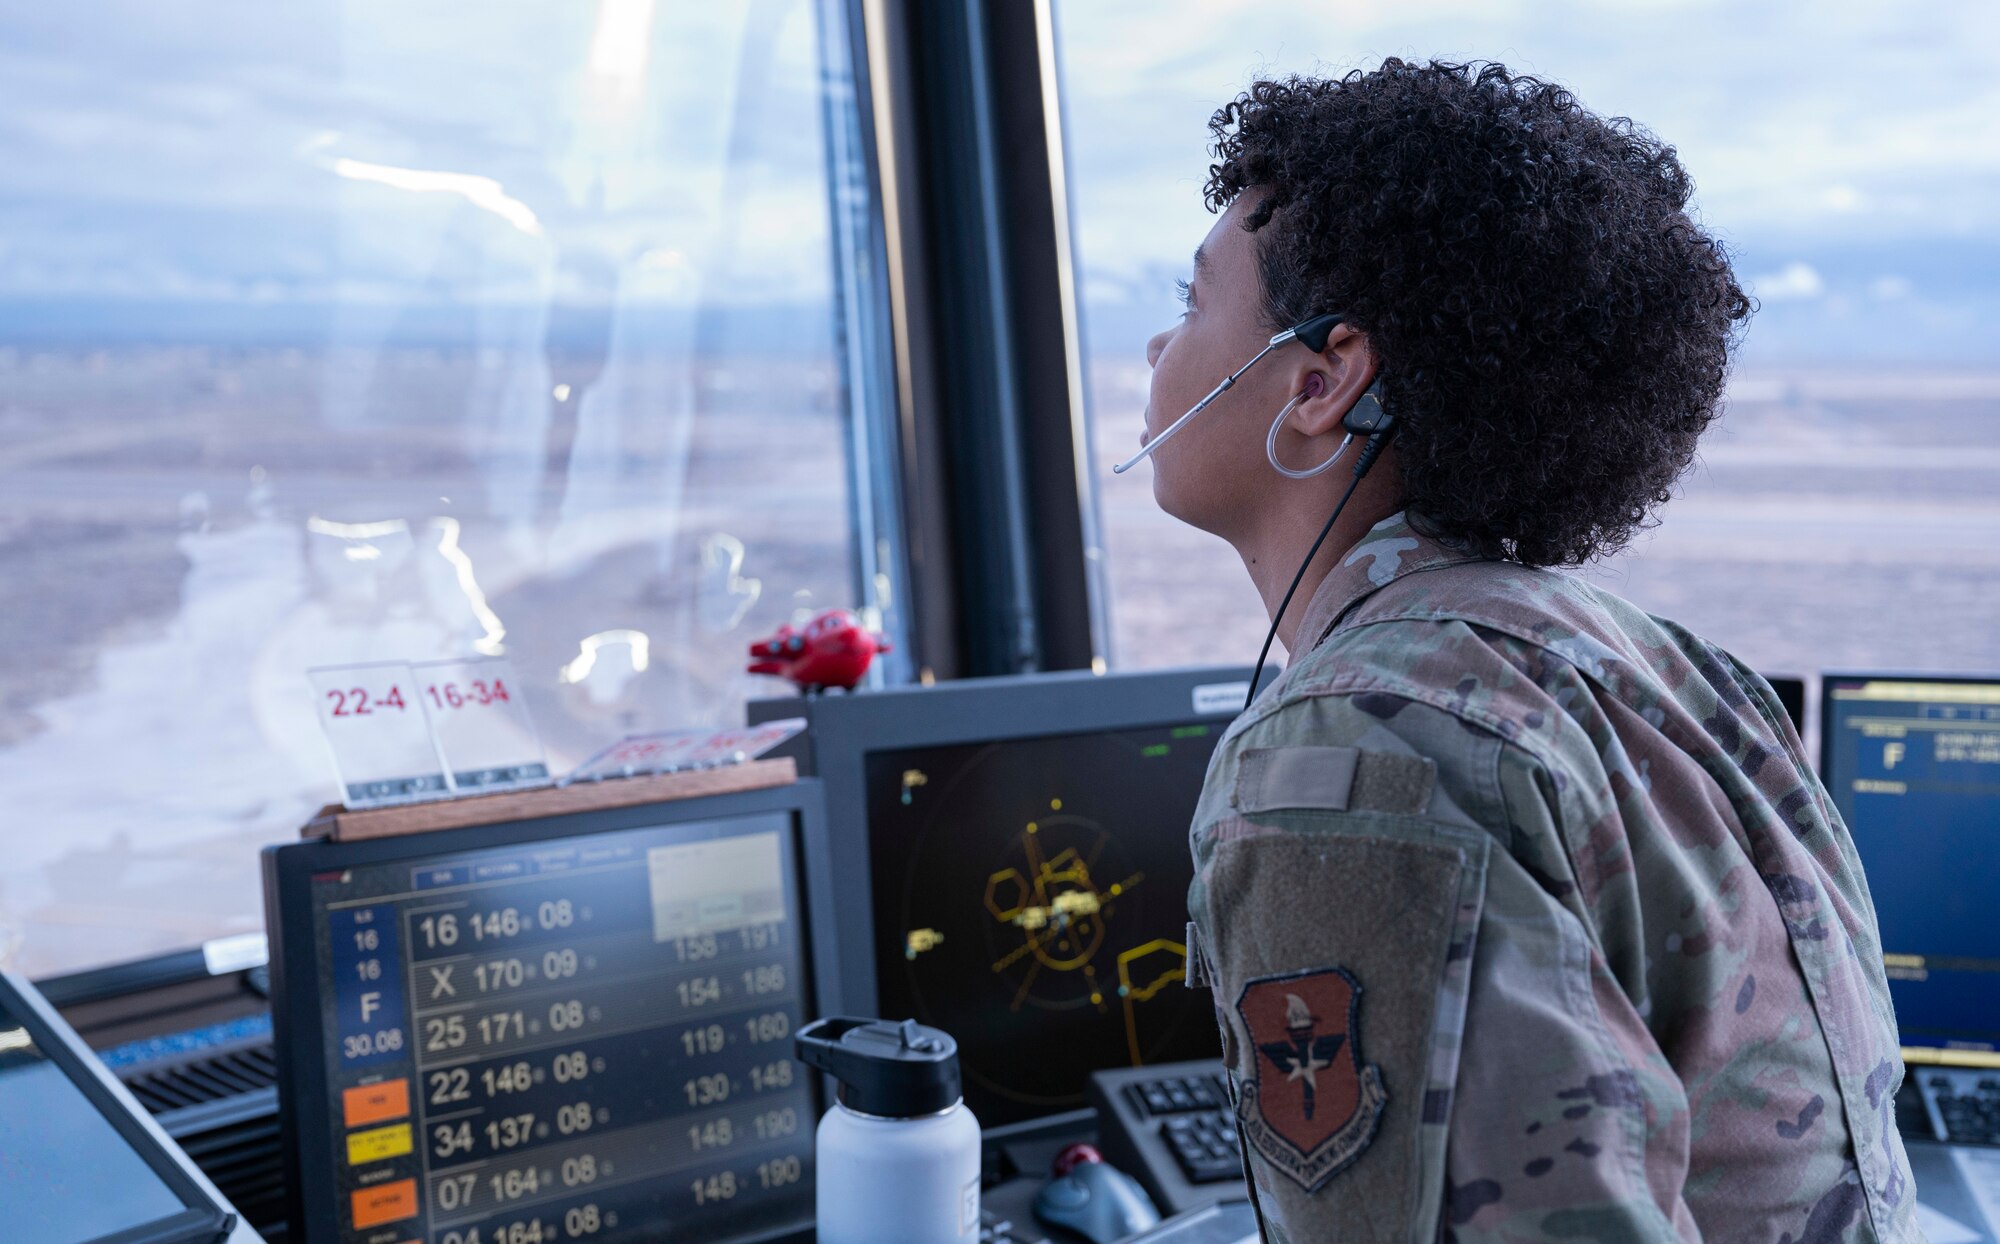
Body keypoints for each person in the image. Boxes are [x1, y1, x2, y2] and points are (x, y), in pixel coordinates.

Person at [1151, 61, 1919, 1242]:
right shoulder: (1671, 669)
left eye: (1194, 301)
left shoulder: (1355, 743)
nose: (1161, 341)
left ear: (1317, 381)